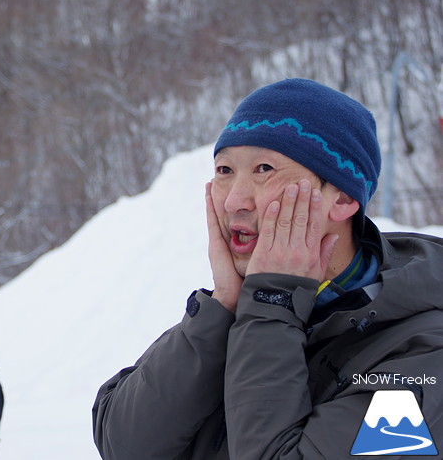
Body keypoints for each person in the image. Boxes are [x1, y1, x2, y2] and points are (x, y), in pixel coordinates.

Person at [92, 78, 443, 459]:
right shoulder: (237, 309)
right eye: (224, 170)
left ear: (341, 198)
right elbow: (123, 446)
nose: (234, 202)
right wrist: (218, 312)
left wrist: (272, 301)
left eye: (264, 169)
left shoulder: (423, 354)